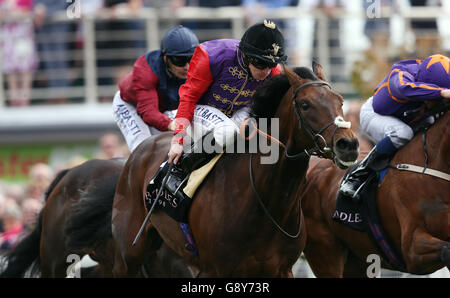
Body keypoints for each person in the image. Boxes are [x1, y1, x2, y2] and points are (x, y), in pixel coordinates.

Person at [165, 20, 286, 198]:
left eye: (272, 65)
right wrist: (178, 140)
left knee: (269, 128)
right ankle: (181, 168)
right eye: (261, 63)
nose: (267, 72)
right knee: (228, 131)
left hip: (239, 110)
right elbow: (189, 97)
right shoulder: (212, 56)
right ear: (246, 55)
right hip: (203, 108)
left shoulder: (274, 72)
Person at [339, 54, 450, 200]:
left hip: (408, 118)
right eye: (434, 99)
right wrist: (441, 92)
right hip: (376, 114)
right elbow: (404, 89)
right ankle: (358, 175)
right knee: (402, 133)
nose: (435, 102)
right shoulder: (401, 74)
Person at [113, 25, 199, 152]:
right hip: (132, 105)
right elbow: (148, 112)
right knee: (144, 150)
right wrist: (171, 124)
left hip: (164, 107)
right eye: (179, 60)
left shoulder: (200, 66)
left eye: (191, 59)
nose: (186, 66)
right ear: (165, 58)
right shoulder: (146, 70)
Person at [1, 0, 39, 106]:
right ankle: (14, 100)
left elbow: (29, 13)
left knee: (26, 70)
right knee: (10, 70)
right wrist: (15, 14)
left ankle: (24, 101)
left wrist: (11, 15)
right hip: (8, 39)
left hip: (24, 38)